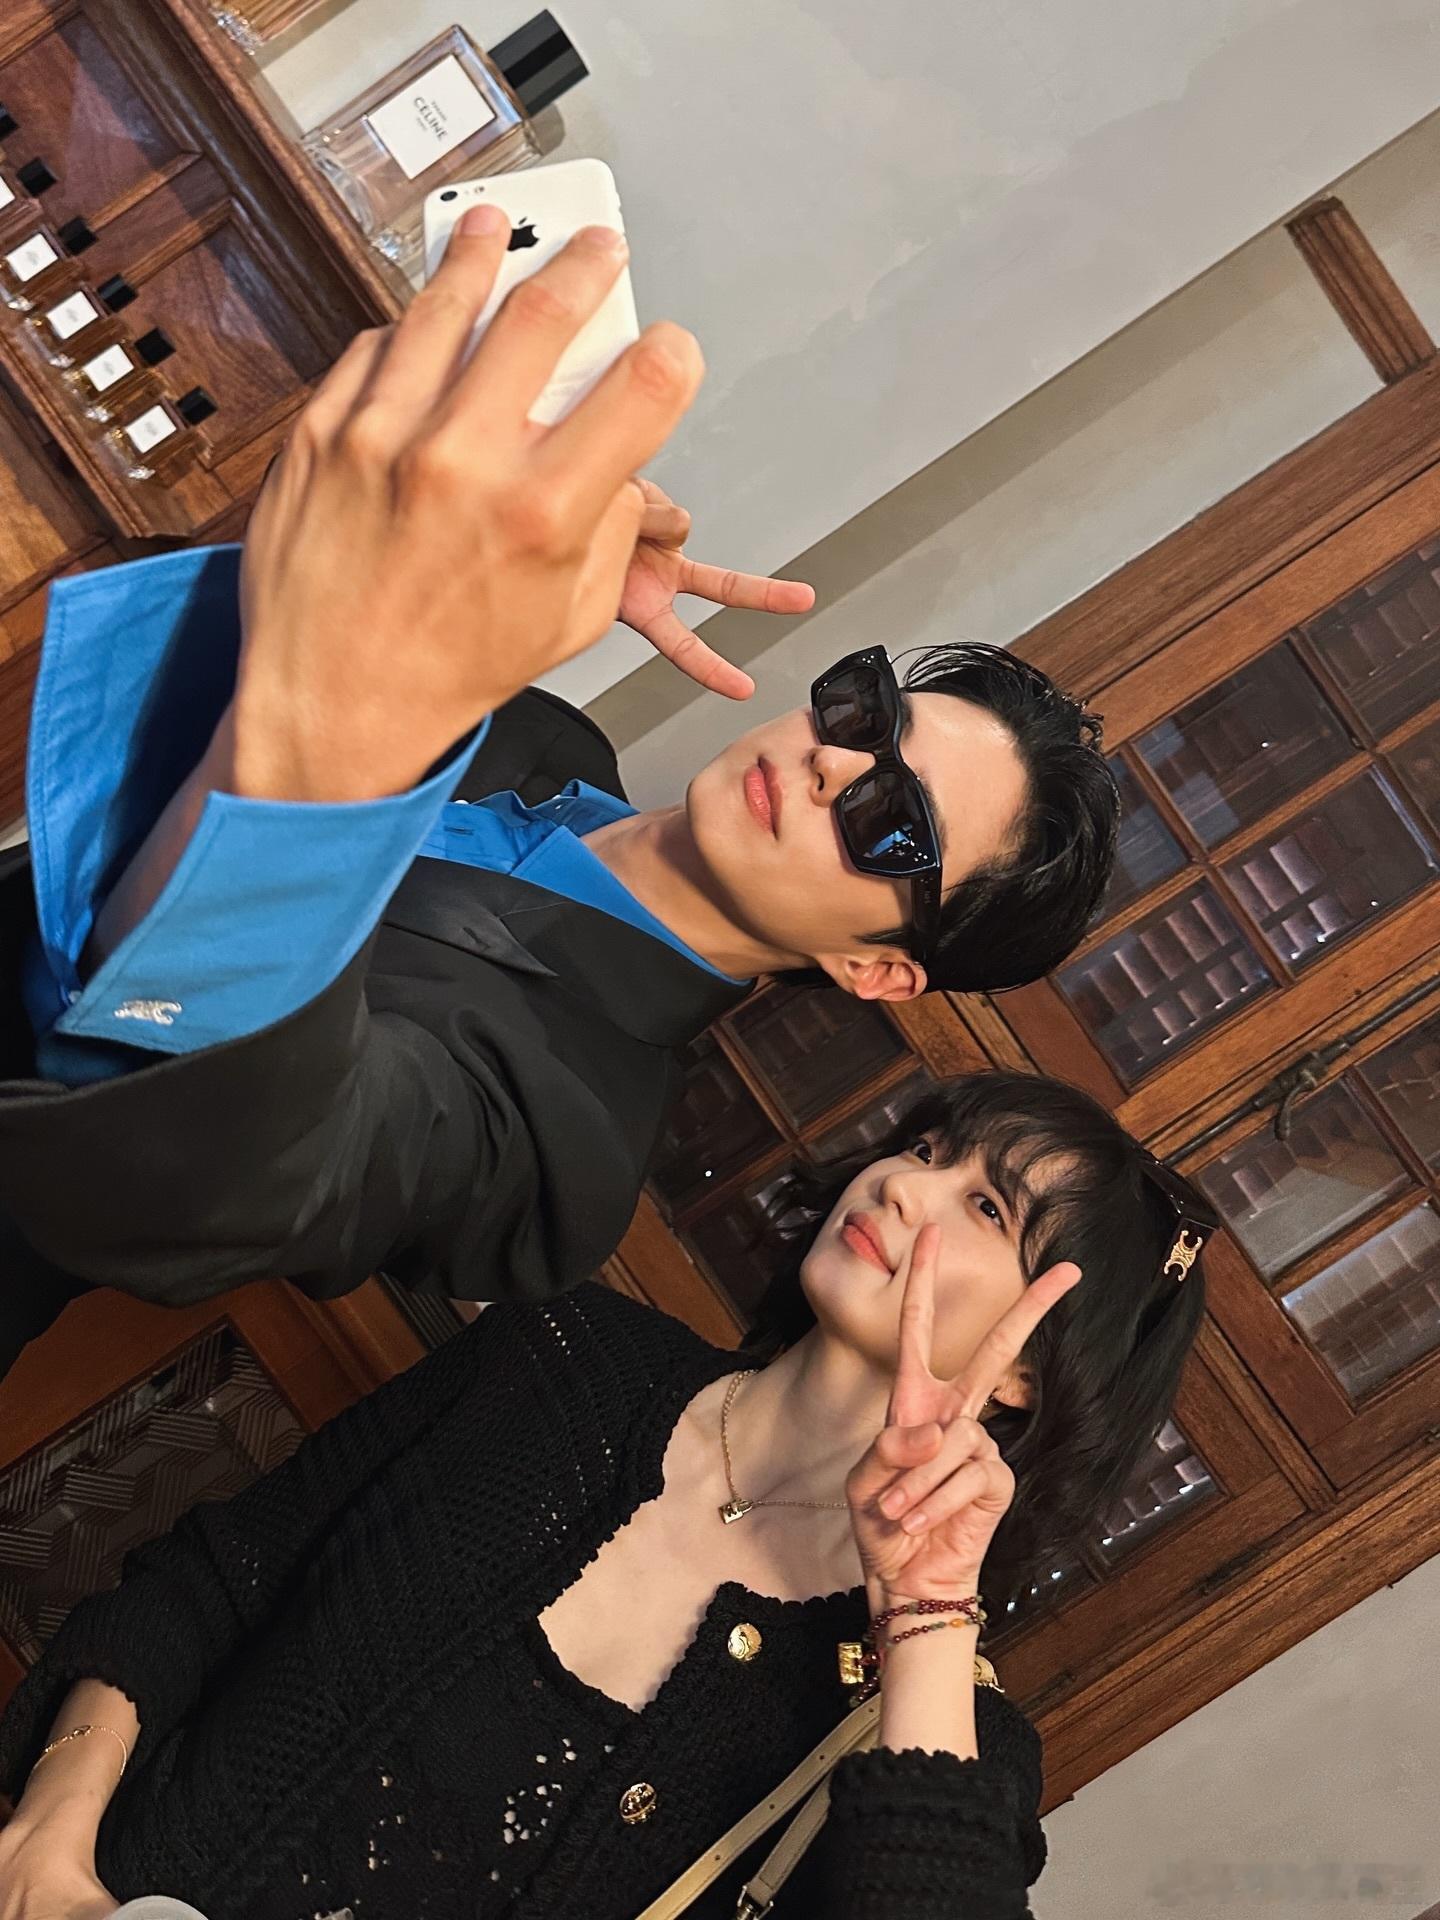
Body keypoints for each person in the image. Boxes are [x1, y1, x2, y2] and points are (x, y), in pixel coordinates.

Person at [0, 210, 1118, 1373]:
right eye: (861, 716)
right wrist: (383, 556)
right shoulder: (541, 738)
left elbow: (195, 1180)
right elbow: (178, 734)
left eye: (891, 823)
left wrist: (362, 694)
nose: (833, 766)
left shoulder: (565, 1151)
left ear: (873, 967)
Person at [0, 1072, 1216, 1920]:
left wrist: (928, 1617)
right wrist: (52, 1829)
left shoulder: (935, 1722)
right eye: (929, 1149)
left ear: (1030, 1373)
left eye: (987, 1207)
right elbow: (213, 1585)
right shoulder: (563, 1357)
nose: (903, 1185)